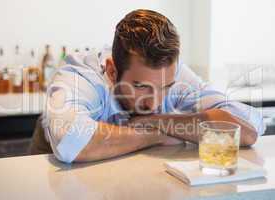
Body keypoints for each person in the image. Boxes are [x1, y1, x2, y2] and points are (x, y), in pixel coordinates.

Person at [42, 9, 264, 163]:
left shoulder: (173, 72)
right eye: (140, 86)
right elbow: (70, 139)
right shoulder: (82, 75)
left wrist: (154, 121)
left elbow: (248, 129)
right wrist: (157, 135)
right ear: (112, 71)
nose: (154, 102)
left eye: (165, 87)